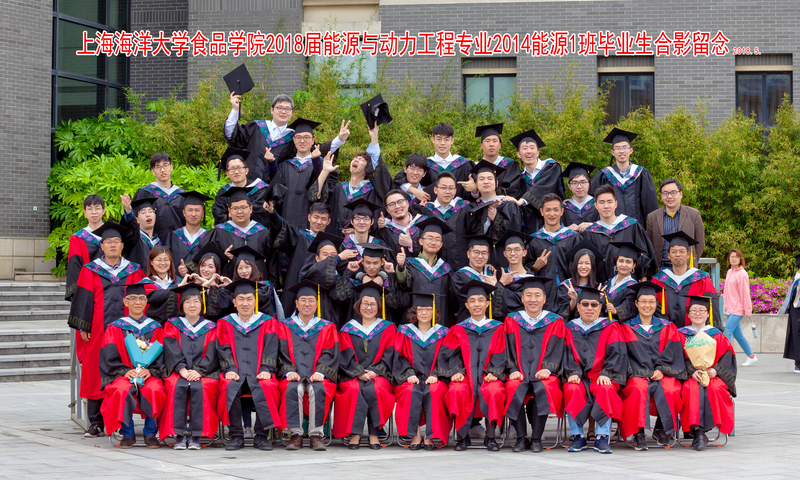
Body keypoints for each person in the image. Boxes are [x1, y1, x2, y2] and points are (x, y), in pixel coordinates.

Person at [68, 222, 146, 438]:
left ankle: (122, 420)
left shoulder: (134, 270)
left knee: (125, 369)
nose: (113, 245)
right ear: (101, 246)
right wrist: (83, 325)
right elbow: (83, 298)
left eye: (116, 242)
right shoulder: (90, 269)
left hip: (127, 332)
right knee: (95, 372)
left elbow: (142, 301)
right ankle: (96, 423)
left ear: (122, 246)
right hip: (97, 330)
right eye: (108, 242)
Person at [503, 277, 568, 453]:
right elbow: (505, 348)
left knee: (545, 386)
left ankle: (537, 438)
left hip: (544, 372)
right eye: (529, 295)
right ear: (522, 298)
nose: (533, 299)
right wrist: (513, 369)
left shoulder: (555, 321)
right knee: (512, 386)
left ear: (544, 299)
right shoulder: (511, 320)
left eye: (537, 295)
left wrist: (548, 368)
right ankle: (521, 438)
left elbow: (558, 348)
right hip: (519, 372)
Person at [98, 280, 166, 448]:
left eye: (142, 298)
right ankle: (127, 433)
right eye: (133, 298)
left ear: (146, 302)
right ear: (125, 302)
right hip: (124, 374)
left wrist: (151, 371)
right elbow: (108, 356)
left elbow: (163, 356)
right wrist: (124, 371)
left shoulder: (155, 327)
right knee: (121, 390)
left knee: (154, 389)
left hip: (148, 374)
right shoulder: (114, 328)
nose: (137, 302)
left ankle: (150, 433)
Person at [618, 281, 686, 450]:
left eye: (651, 301)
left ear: (657, 304)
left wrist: (662, 370)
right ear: (636, 303)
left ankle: (661, 429)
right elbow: (624, 355)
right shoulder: (626, 327)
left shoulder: (668, 327)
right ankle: (638, 432)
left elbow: (673, 352)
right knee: (637, 388)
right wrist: (639, 372)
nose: (647, 305)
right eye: (643, 301)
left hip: (663, 373)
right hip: (636, 374)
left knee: (671, 389)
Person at [216, 278, 282, 451]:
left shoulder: (268, 322)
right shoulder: (225, 323)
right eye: (241, 299)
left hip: (259, 372)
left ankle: (261, 435)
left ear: (255, 301)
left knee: (268, 386)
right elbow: (223, 348)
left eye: (249, 299)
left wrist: (267, 369)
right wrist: (229, 368)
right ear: (234, 302)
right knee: (229, 386)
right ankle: (236, 436)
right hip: (235, 372)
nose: (245, 303)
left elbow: (271, 348)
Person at [441, 281, 507, 451]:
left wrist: (495, 371)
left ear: (487, 304)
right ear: (467, 305)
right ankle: (462, 437)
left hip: (489, 375)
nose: (476, 304)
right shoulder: (457, 329)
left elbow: (502, 352)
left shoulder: (498, 328)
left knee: (494, 391)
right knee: (457, 390)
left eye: (480, 300)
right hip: (465, 375)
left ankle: (490, 437)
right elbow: (450, 354)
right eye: (472, 301)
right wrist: (457, 371)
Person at [276, 280, 341, 451]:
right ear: (296, 303)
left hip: (317, 375)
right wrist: (289, 371)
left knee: (317, 389)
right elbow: (280, 352)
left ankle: (316, 434)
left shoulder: (327, 327)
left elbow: (330, 353)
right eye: (303, 300)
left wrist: (321, 372)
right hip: (294, 374)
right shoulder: (284, 326)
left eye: (311, 300)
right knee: (293, 388)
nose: (307, 304)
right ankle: (295, 434)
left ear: (316, 304)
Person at [562, 286, 627, 454]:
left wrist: (607, 373)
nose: (589, 308)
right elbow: (565, 354)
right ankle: (577, 436)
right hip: (579, 376)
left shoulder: (611, 326)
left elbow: (617, 353)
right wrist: (573, 372)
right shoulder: (569, 328)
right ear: (578, 307)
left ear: (600, 307)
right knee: (572, 388)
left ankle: (602, 436)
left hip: (601, 375)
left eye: (594, 304)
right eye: (585, 304)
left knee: (606, 389)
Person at [333, 284, 397, 449]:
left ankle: (374, 434)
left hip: (379, 374)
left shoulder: (389, 328)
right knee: (353, 389)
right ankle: (355, 433)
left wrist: (375, 371)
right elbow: (344, 355)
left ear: (379, 307)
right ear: (358, 305)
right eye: (365, 303)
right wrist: (358, 372)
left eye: (373, 304)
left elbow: (390, 354)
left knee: (376, 388)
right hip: (352, 374)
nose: (369, 308)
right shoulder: (347, 329)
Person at [160, 284, 221, 450]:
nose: (192, 305)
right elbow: (171, 349)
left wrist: (199, 371)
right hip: (178, 371)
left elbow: (212, 352)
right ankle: (178, 435)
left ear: (202, 304)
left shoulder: (211, 327)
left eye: (196, 301)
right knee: (173, 385)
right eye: (187, 301)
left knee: (204, 387)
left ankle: (197, 436)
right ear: (182, 305)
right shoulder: (172, 325)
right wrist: (182, 369)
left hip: (204, 372)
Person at [677, 294, 737, 450]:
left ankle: (702, 432)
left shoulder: (717, 335)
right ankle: (698, 432)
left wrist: (716, 371)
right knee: (690, 388)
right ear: (688, 313)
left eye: (702, 310)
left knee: (715, 388)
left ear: (708, 314)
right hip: (690, 375)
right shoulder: (680, 334)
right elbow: (675, 357)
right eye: (694, 310)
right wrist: (691, 370)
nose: (697, 313)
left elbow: (728, 358)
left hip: (713, 375)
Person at [393, 293, 451, 449]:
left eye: (428, 309)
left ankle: (430, 436)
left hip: (435, 377)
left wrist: (436, 374)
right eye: (420, 309)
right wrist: (408, 373)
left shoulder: (443, 333)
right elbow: (399, 356)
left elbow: (447, 357)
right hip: (411, 377)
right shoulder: (404, 332)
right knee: (409, 390)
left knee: (436, 390)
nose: (424, 313)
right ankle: (415, 435)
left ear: (434, 312)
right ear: (415, 312)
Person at [268, 118, 350, 229]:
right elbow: (276, 185)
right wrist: (271, 163)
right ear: (294, 140)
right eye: (298, 137)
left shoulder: (323, 164)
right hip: (286, 219)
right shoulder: (284, 165)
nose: (302, 141)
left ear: (313, 140)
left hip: (311, 221)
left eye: (306, 137)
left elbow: (325, 191)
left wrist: (317, 162)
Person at [267, 201, 332, 312]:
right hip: (296, 286)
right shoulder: (299, 237)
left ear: (329, 221)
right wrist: (273, 213)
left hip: (322, 292)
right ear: (309, 217)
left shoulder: (331, 244)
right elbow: (282, 227)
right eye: (316, 217)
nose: (319, 222)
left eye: (323, 219)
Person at [203, 187, 277, 284]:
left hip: (259, 288)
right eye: (235, 208)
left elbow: (272, 264)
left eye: (243, 208)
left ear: (251, 209)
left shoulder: (263, 233)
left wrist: (272, 285)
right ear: (229, 211)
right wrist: (222, 258)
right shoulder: (219, 232)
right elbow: (205, 262)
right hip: (228, 287)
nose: (239, 212)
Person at [328, 125, 392, 235]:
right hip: (336, 239)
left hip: (362, 241)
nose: (356, 160)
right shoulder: (338, 188)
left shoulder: (373, 192)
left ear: (368, 168)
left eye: (361, 159)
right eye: (354, 159)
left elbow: (379, 169)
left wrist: (374, 137)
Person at [584, 184, 655, 281]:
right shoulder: (590, 232)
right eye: (601, 202)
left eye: (610, 202)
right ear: (595, 205)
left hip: (630, 283)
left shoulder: (631, 226)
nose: (606, 206)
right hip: (602, 285)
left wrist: (643, 276)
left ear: (616, 204)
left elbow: (644, 254)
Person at [224, 92, 299, 182]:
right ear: (272, 110)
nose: (283, 112)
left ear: (291, 112)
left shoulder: (294, 139)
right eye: (279, 108)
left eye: (287, 109)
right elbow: (233, 137)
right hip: (248, 184)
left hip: (274, 187)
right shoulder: (257, 127)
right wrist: (236, 109)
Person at [590, 128, 658, 225]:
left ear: (631, 150)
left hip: (637, 228)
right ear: (612, 152)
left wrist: (650, 228)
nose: (621, 151)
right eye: (617, 148)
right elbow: (593, 202)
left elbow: (650, 204)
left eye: (625, 147)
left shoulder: (641, 174)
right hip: (610, 229)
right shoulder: (604, 175)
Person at [651, 232, 720, 328]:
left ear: (688, 255)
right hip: (666, 332)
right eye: (674, 251)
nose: (678, 254)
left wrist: (714, 332)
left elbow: (713, 309)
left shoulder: (702, 279)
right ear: (668, 256)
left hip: (694, 333)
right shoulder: (658, 280)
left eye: (682, 251)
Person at [524, 193, 583, 307]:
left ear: (562, 211)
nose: (552, 214)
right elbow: (524, 268)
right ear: (542, 212)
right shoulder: (534, 240)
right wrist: (535, 267)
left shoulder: (574, 238)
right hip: (544, 296)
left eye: (556, 210)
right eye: (548, 210)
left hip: (570, 293)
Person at [396, 217, 454, 326]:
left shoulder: (446, 269)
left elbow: (452, 300)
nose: (433, 242)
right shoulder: (410, 264)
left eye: (437, 239)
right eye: (429, 238)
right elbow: (403, 284)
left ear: (441, 244)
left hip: (439, 323)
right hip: (414, 323)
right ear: (421, 241)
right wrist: (401, 267)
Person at [463, 160, 523, 264]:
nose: (486, 182)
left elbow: (514, 235)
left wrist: (496, 218)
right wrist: (486, 217)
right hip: (479, 262)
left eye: (490, 178)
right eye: (481, 179)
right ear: (476, 184)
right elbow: (471, 235)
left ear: (497, 183)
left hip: (503, 260)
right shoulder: (471, 208)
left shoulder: (509, 205)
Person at [507, 128, 565, 232]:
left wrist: (522, 200)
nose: (529, 151)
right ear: (518, 154)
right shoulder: (520, 177)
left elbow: (543, 186)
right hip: (531, 225)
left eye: (532, 147)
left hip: (554, 220)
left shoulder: (551, 166)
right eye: (524, 148)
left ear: (538, 153)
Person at [646, 178, 705, 270]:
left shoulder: (693, 214)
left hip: (686, 268)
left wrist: (691, 261)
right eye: (665, 193)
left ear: (681, 194)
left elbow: (700, 243)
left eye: (673, 192)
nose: (669, 196)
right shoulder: (652, 217)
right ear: (661, 196)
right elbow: (649, 244)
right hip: (661, 268)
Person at [299, 232, 356, 327]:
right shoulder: (308, 271)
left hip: (335, 321)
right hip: (312, 323)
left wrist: (346, 272)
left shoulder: (339, 274)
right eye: (325, 254)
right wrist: (338, 257)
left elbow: (343, 298)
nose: (330, 257)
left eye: (333, 254)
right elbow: (316, 273)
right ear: (317, 258)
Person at [339, 243, 404, 324]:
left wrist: (391, 274)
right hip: (358, 327)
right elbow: (341, 298)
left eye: (375, 263)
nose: (371, 267)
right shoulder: (354, 283)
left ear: (382, 262)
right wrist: (348, 271)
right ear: (362, 261)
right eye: (368, 263)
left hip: (382, 328)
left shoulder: (387, 283)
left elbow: (395, 304)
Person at [418, 172, 471, 269]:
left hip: (461, 265)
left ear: (455, 190)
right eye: (443, 188)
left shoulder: (465, 208)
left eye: (451, 188)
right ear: (435, 190)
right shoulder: (426, 210)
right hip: (434, 267)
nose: (447, 191)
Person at [451, 235, 509, 322]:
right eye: (476, 252)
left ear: (488, 255)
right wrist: (499, 285)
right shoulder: (460, 276)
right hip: (469, 322)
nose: (480, 256)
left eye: (484, 253)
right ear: (468, 254)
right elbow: (473, 300)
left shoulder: (493, 272)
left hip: (494, 322)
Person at [134, 153, 185, 242]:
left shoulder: (182, 195)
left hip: (179, 244)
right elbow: (135, 221)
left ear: (171, 167)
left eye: (165, 165)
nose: (162, 170)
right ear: (153, 171)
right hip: (154, 244)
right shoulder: (145, 193)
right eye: (158, 167)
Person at [211, 148, 269, 226]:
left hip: (256, 231)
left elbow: (260, 211)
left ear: (246, 171)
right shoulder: (223, 192)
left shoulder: (260, 189)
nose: (236, 171)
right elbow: (218, 213)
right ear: (227, 174)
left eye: (239, 168)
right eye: (232, 169)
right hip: (230, 231)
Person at [65, 195, 105, 301]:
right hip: (88, 289)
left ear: (103, 211)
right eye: (90, 209)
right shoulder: (78, 238)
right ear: (84, 212)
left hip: (111, 288)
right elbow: (74, 267)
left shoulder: (113, 235)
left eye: (97, 208)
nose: (93, 212)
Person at [722, 248, 757, 366]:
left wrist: (748, 309)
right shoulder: (729, 271)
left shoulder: (742, 274)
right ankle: (751, 356)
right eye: (732, 257)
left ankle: (728, 359)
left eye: (736, 257)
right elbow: (728, 290)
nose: (734, 259)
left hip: (738, 308)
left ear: (740, 259)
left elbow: (745, 293)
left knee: (727, 331)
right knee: (738, 335)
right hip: (730, 308)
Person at [554, 240, 602, 321]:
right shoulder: (565, 287)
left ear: (593, 266)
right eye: (580, 263)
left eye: (587, 263)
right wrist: (573, 299)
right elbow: (562, 315)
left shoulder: (598, 288)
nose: (583, 267)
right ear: (575, 265)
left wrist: (599, 301)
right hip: (570, 327)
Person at [167, 191, 211, 275]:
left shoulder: (209, 237)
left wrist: (189, 269)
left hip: (202, 281)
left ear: (202, 213)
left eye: (197, 210)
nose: (193, 214)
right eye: (190, 210)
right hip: (177, 281)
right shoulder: (173, 236)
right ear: (184, 213)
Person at [377, 189, 428, 260]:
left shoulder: (424, 223)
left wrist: (411, 244)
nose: (397, 206)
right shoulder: (383, 233)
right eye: (392, 204)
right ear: (387, 210)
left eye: (400, 201)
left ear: (407, 203)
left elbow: (433, 250)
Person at [600, 241, 644, 323]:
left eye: (628, 262)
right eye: (621, 261)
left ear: (634, 265)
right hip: (603, 323)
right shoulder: (608, 283)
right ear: (616, 262)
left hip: (619, 326)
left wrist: (616, 310)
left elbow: (630, 306)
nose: (624, 265)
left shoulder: (633, 287)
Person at [140, 246, 181, 325]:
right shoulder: (144, 284)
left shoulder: (179, 282)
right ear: (151, 262)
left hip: (176, 327)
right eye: (158, 260)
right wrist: (177, 288)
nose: (163, 263)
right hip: (152, 327)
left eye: (166, 260)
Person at [121, 196, 161, 268]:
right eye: (143, 212)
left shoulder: (160, 241)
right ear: (136, 219)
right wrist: (129, 212)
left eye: (150, 211)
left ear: (155, 216)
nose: (148, 214)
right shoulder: (133, 238)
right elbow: (129, 228)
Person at [561, 162, 598, 232]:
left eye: (583, 182)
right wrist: (566, 230)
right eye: (575, 183)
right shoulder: (563, 208)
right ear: (569, 186)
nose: (579, 186)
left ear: (589, 184)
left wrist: (593, 225)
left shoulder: (598, 205)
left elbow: (608, 226)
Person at [779, 254, 800, 373]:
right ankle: (798, 364)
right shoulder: (797, 279)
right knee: (796, 336)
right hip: (796, 311)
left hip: (796, 310)